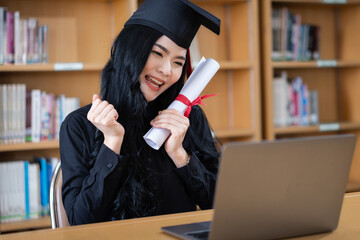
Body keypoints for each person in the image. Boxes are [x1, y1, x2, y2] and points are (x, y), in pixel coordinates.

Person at [60, 0, 221, 225]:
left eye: (178, 62)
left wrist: (180, 155)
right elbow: (81, 222)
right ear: (131, 50)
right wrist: (112, 143)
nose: (166, 71)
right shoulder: (79, 125)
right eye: (157, 53)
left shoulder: (189, 119)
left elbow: (221, 206)